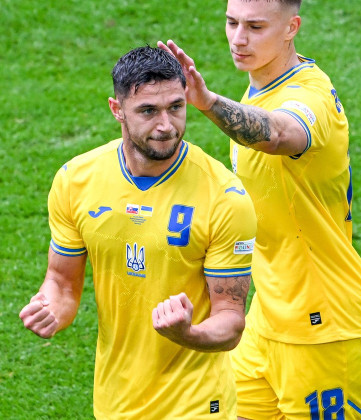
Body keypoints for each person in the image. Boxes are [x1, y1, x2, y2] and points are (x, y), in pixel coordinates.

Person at [158, 0, 361, 418]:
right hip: (269, 315)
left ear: (291, 28)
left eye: (255, 26)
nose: (238, 38)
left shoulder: (309, 96)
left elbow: (280, 133)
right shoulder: (259, 86)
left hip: (324, 322)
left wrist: (208, 102)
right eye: (231, 22)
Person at [18, 46, 257, 419]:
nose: (166, 125)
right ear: (117, 110)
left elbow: (231, 321)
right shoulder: (75, 180)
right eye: (148, 111)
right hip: (116, 400)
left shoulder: (225, 197)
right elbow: (62, 284)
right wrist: (50, 309)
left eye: (176, 107)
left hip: (196, 403)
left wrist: (187, 334)